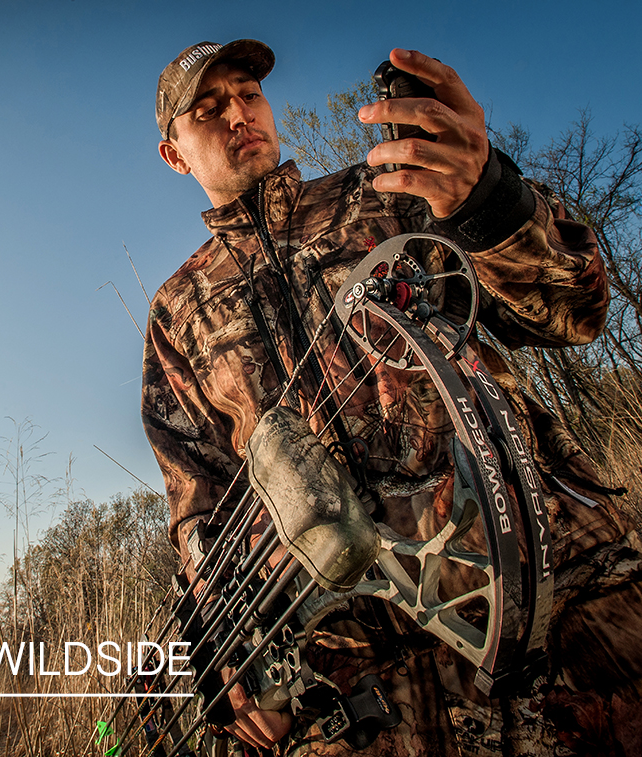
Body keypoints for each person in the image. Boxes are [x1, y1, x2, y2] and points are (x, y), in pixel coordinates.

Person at [142, 39, 642, 755]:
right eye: (207, 108)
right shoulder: (177, 311)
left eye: (248, 94)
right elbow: (199, 505)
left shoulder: (392, 190)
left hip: (553, 591)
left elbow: (570, 311)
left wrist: (489, 198)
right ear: (175, 155)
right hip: (369, 686)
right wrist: (228, 646)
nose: (238, 114)